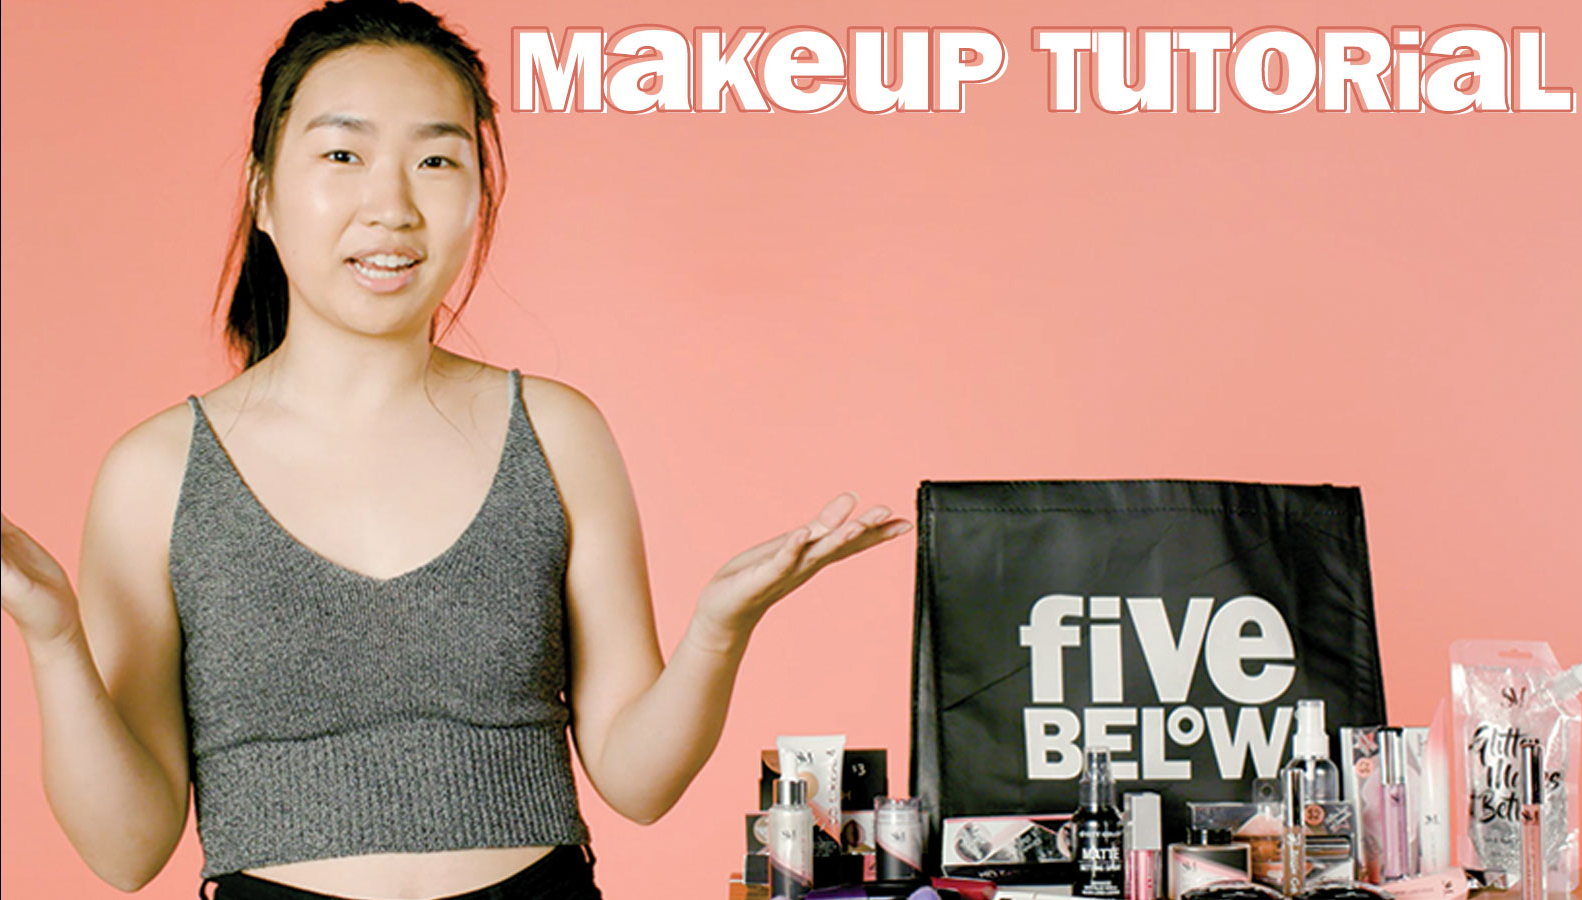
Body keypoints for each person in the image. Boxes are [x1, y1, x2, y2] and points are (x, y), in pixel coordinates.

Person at [0, 2, 910, 898]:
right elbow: (127, 851)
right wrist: (50, 637)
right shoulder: (158, 472)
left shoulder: (555, 432)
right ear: (263, 191)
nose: (390, 206)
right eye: (343, 155)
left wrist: (719, 626)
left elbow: (638, 783)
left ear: (480, 196)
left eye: (436, 159)